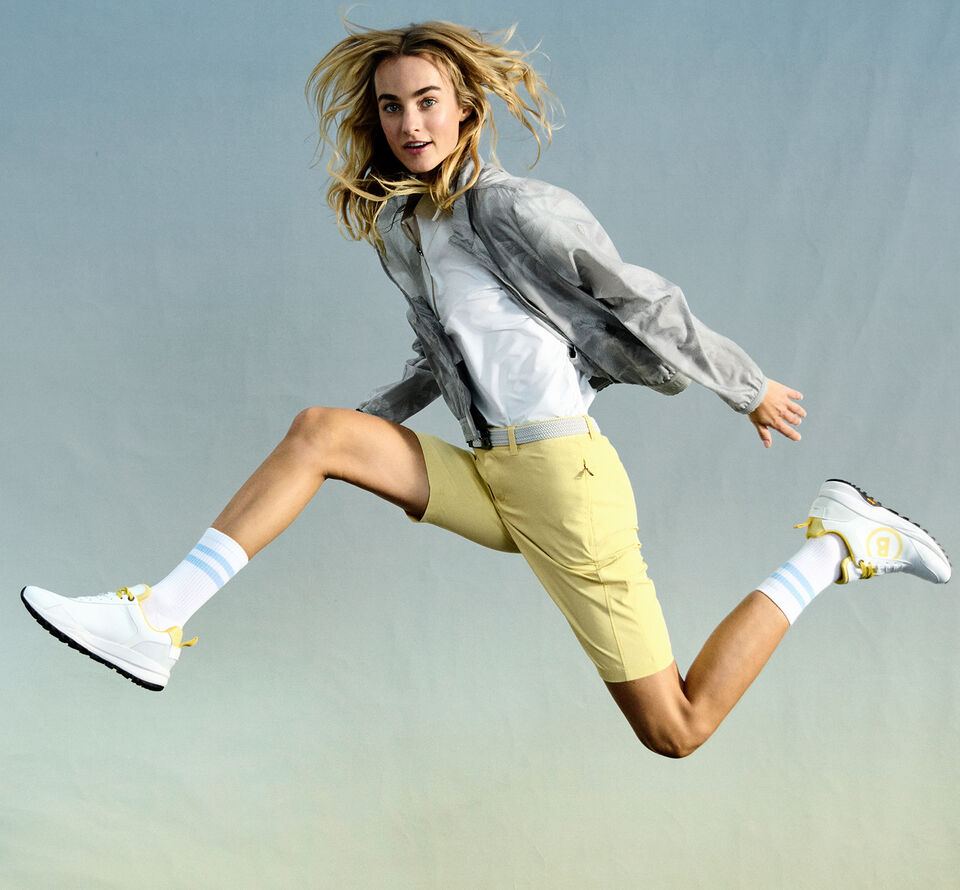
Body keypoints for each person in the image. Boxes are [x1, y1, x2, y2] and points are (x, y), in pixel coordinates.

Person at [21, 21, 950, 758]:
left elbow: (634, 294)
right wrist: (361, 430)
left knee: (677, 729)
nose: (410, 124)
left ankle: (839, 541)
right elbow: (444, 363)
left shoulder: (515, 206)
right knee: (319, 432)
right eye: (391, 109)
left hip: (563, 482)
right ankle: (155, 619)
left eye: (427, 102)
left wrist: (742, 386)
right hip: (491, 472)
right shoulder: (411, 232)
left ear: (466, 108)